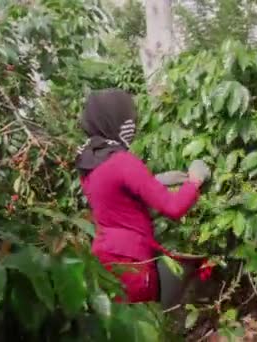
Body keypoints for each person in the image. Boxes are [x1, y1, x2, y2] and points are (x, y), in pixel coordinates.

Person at [75, 89, 211, 303]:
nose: (133, 124)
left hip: (104, 257)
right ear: (115, 119)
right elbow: (173, 207)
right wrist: (195, 181)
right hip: (132, 261)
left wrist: (154, 181)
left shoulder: (90, 159)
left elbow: (114, 194)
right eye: (128, 118)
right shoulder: (122, 161)